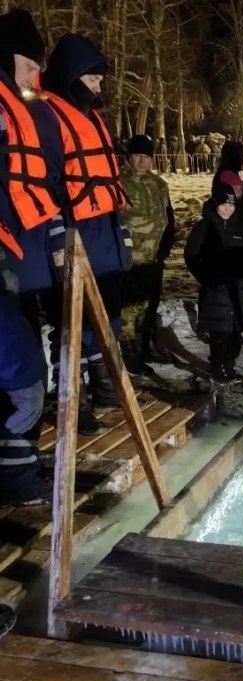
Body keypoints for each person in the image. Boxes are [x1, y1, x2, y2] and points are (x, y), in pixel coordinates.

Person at [30, 33, 132, 434]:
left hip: (104, 229)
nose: (99, 86)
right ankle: (74, 398)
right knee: (71, 322)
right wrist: (56, 232)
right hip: (75, 229)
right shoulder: (48, 117)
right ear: (73, 75)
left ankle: (106, 386)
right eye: (93, 78)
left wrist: (121, 232)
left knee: (107, 317)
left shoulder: (92, 118)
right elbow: (46, 181)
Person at [0, 9, 55, 507]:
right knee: (26, 382)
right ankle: (16, 482)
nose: (35, 76)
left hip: (11, 255)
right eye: (30, 64)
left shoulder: (11, 105)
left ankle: (17, 477)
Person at [184, 182, 243, 382]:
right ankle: (219, 368)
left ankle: (229, 365)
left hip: (238, 290)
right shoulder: (204, 227)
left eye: (231, 205)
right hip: (215, 292)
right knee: (219, 334)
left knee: (235, 332)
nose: (227, 209)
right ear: (215, 204)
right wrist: (207, 277)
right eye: (223, 205)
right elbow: (191, 255)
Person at [119, 134, 176, 374]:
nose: (142, 160)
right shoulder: (119, 183)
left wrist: (166, 246)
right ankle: (128, 352)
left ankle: (145, 346)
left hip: (154, 256)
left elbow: (169, 216)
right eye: (137, 155)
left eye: (146, 156)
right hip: (131, 258)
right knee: (129, 308)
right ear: (129, 157)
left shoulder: (159, 184)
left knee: (150, 304)